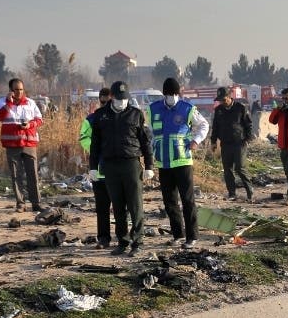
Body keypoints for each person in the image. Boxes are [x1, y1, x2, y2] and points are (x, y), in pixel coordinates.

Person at [88, 80, 154, 256]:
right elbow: (95, 145)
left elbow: (145, 143)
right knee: (117, 206)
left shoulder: (136, 114)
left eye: (125, 98)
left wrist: (149, 165)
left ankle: (137, 241)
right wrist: (92, 167)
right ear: (112, 97)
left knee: (135, 205)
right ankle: (123, 241)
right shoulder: (101, 115)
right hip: (109, 166)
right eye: (119, 98)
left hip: (131, 164)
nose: (122, 101)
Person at [148, 77, 210, 248]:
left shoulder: (187, 108)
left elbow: (204, 125)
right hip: (163, 163)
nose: (171, 97)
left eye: (174, 94)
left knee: (188, 200)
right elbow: (152, 133)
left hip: (182, 161)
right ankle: (178, 235)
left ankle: (192, 236)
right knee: (170, 202)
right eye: (168, 94)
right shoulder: (154, 109)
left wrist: (196, 140)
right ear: (164, 94)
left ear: (178, 94)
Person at [0, 78, 43, 213]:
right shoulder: (1, 103)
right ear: (10, 90)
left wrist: (30, 124)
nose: (19, 92)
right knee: (16, 175)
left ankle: (36, 203)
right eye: (16, 90)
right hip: (12, 144)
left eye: (21, 89)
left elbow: (39, 120)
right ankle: (20, 203)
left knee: (32, 174)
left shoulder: (31, 103)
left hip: (29, 143)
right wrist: (9, 103)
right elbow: (0, 117)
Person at [79, 87, 113, 248]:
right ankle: (103, 238)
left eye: (109, 102)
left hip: (117, 170)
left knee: (121, 207)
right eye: (103, 102)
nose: (105, 105)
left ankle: (123, 236)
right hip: (99, 169)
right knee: (102, 207)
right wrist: (96, 148)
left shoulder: (121, 118)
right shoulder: (92, 119)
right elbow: (83, 137)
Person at [210, 86, 254, 202]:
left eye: (224, 100)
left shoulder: (240, 108)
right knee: (227, 169)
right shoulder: (219, 110)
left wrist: (248, 139)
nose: (222, 102)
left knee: (240, 168)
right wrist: (213, 142)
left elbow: (248, 125)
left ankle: (250, 191)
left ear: (230, 97)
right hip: (225, 143)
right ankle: (232, 193)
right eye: (220, 100)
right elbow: (215, 127)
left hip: (239, 143)